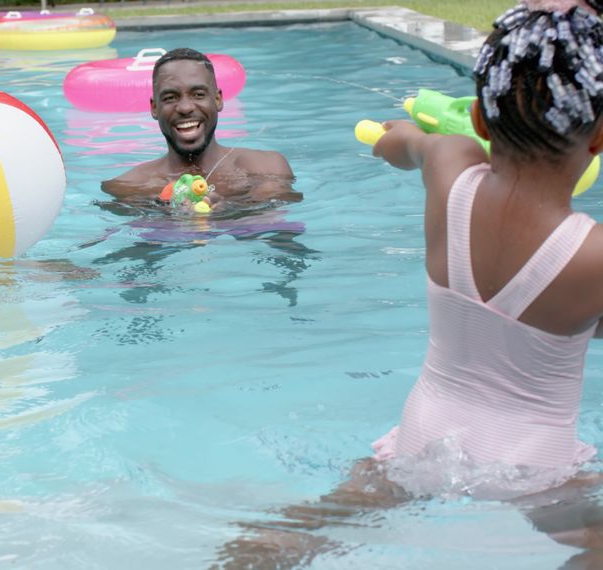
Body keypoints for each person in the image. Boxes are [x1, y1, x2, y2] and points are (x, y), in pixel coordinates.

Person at [215, 1, 603, 566]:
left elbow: (396, 140)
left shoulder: (450, 168)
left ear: (476, 119)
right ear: (598, 139)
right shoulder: (592, 256)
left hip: (422, 439)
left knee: (313, 526)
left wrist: (410, 136)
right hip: (532, 465)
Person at [100, 47, 299, 208]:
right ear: (154, 108)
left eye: (198, 94)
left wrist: (226, 212)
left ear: (218, 99)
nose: (185, 108)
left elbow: (274, 229)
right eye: (170, 98)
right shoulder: (127, 187)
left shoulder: (265, 168)